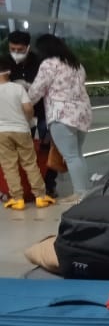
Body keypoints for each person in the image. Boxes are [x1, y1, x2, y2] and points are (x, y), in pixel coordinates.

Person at [25, 34, 92, 202]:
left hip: (61, 115)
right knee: (77, 154)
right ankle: (85, 190)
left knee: (71, 156)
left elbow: (37, 90)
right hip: (82, 114)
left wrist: (24, 103)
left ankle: (80, 193)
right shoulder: (76, 64)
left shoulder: (49, 64)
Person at [6, 31, 57, 195]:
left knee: (46, 149)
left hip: (41, 113)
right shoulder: (5, 62)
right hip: (16, 115)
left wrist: (29, 87)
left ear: (28, 48)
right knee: (16, 151)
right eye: (12, 49)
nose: (16, 53)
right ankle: (18, 187)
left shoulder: (40, 62)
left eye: (20, 50)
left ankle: (48, 184)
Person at [0, 55, 53, 210]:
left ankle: (17, 199)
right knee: (30, 163)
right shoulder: (18, 88)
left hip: (1, 132)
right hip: (21, 130)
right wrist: (28, 120)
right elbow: (29, 109)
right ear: (9, 71)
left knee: (9, 166)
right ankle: (40, 197)